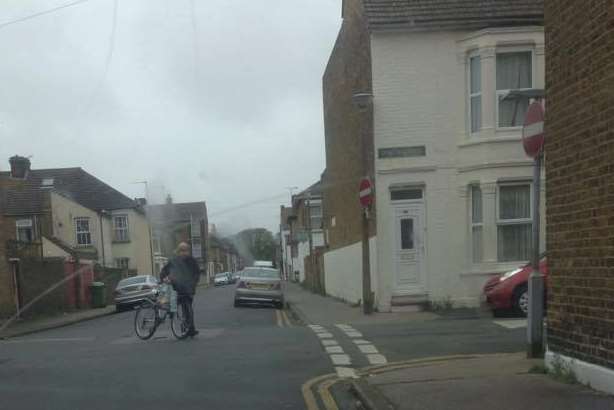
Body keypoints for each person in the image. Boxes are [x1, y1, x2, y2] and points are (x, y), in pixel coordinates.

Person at [160, 242, 200, 337]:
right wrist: (163, 278)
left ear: (188, 251)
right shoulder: (174, 261)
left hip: (189, 288)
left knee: (188, 308)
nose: (184, 253)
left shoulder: (192, 261)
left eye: (185, 250)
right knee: (182, 307)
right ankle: (186, 328)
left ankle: (190, 328)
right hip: (177, 288)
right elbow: (164, 271)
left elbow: (197, 273)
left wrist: (193, 284)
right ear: (178, 251)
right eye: (181, 251)